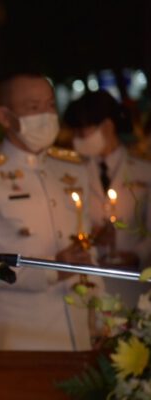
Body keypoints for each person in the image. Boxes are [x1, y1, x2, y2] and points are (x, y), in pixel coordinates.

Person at [0, 72, 101, 351]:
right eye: (33, 107)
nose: (46, 114)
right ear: (4, 117)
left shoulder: (72, 169)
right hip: (19, 332)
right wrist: (51, 270)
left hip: (78, 327)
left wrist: (102, 310)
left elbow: (87, 249)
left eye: (50, 105)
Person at [64, 90, 151, 307]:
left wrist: (137, 255)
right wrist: (91, 238)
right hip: (89, 281)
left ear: (107, 127)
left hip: (134, 281)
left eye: (82, 130)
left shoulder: (144, 170)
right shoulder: (72, 171)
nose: (76, 138)